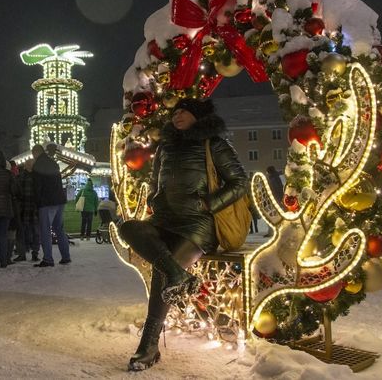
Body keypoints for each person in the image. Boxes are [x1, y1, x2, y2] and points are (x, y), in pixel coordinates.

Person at [118, 98, 248, 371]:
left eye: (184, 111)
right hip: (164, 220)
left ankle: (149, 345)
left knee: (162, 270)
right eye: (175, 111)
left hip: (198, 225)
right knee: (127, 227)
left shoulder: (213, 144)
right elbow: (155, 180)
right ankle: (178, 276)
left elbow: (239, 182)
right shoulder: (166, 146)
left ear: (198, 117)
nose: (177, 115)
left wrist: (209, 204)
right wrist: (154, 197)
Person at [32, 144, 71, 267]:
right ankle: (66, 256)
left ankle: (48, 259)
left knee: (45, 230)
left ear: (35, 153)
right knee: (59, 229)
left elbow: (37, 186)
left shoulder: (37, 165)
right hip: (59, 199)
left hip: (47, 201)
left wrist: (37, 202)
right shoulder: (53, 163)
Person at [17, 158, 39, 261]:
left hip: (23, 208)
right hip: (34, 208)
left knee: (21, 232)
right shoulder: (38, 177)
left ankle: (22, 254)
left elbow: (17, 193)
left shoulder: (21, 176)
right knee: (35, 233)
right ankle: (35, 253)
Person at [264, 165, 283, 237]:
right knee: (274, 216)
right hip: (277, 200)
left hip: (274, 201)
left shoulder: (273, 179)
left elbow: (274, 190)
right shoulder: (276, 177)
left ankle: (272, 232)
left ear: (269, 172)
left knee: (271, 216)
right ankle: (274, 231)